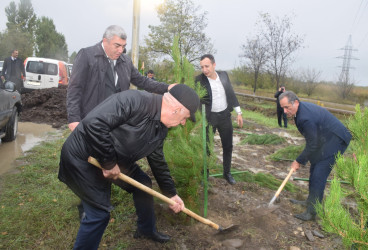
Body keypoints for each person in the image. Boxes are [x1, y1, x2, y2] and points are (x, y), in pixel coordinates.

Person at [59, 84, 200, 249]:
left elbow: (157, 160)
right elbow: (94, 123)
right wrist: (109, 163)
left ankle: (146, 230)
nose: (183, 123)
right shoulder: (134, 101)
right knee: (98, 214)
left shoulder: (160, 128)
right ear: (176, 109)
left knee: (143, 184)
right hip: (84, 157)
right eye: (185, 118)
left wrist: (171, 194)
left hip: (114, 160)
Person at [66, 25, 175, 220]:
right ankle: (87, 207)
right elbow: (75, 89)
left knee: (107, 160)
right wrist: (74, 119)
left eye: (124, 46)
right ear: (105, 41)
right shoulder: (87, 56)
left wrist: (167, 87)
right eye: (117, 45)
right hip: (92, 122)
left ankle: (101, 201)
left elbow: (143, 81)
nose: (121, 50)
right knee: (90, 165)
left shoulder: (124, 61)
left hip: (116, 124)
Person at [279, 91, 352, 221]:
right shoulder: (299, 111)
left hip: (336, 140)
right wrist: (306, 159)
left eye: (287, 108)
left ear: (295, 102)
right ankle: (310, 202)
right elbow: (313, 141)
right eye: (282, 108)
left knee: (319, 173)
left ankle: (312, 212)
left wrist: (299, 161)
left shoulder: (305, 118)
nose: (284, 111)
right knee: (314, 167)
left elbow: (313, 144)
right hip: (325, 138)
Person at [195, 54, 243, 185]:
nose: (204, 70)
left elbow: (231, 93)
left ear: (214, 65)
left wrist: (239, 112)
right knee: (207, 148)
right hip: (209, 118)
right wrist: (198, 117)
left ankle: (227, 173)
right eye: (202, 67)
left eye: (207, 66)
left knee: (228, 146)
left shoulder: (223, 76)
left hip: (225, 117)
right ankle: (205, 175)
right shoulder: (199, 80)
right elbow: (195, 99)